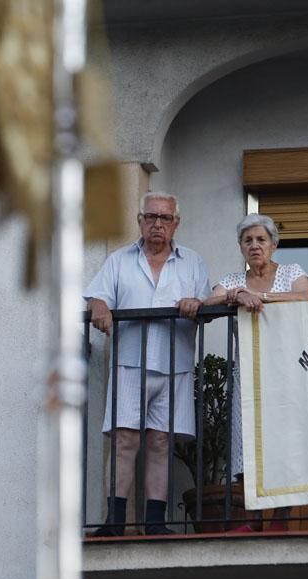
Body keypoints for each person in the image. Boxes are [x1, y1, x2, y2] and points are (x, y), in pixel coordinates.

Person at [85, 191, 211, 536]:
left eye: (165, 218)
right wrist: (99, 307)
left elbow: (206, 302)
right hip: (130, 362)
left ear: (176, 224)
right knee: (125, 440)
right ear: (140, 221)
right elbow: (99, 296)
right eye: (151, 217)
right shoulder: (119, 260)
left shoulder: (193, 263)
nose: (158, 224)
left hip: (176, 365)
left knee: (160, 442)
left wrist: (196, 302)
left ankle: (155, 523)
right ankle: (115, 522)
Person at [201, 213, 308, 530]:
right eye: (248, 240)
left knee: (284, 444)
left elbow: (304, 297)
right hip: (248, 374)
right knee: (245, 446)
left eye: (261, 239)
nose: (255, 245)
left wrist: (260, 298)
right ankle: (254, 520)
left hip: (287, 371)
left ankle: (280, 519)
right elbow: (207, 302)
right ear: (240, 247)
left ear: (274, 244)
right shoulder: (235, 281)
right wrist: (236, 295)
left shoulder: (292, 272)